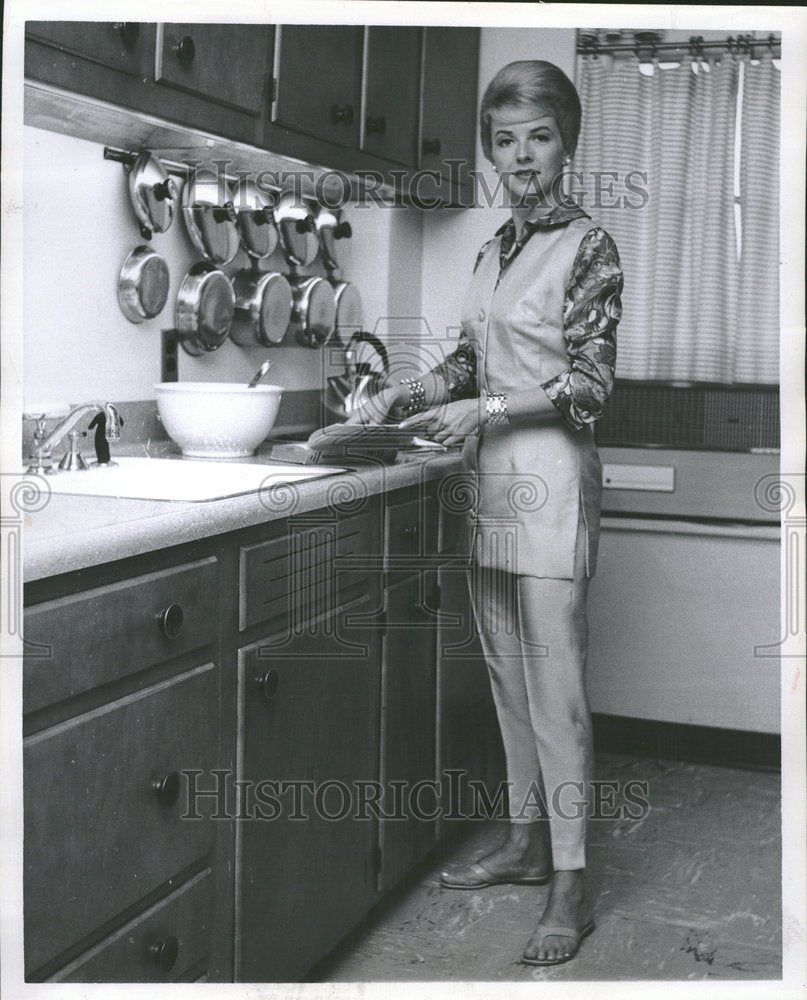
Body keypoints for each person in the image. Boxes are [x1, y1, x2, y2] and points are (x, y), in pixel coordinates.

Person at [349, 60, 623, 967]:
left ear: (566, 143)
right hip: (490, 490)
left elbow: (587, 385)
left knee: (557, 693)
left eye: (537, 137)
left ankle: (572, 884)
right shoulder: (489, 251)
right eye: (504, 141)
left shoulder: (589, 248)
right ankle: (522, 840)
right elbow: (468, 367)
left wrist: (483, 411)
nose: (521, 157)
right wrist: (400, 395)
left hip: (550, 483)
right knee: (508, 680)